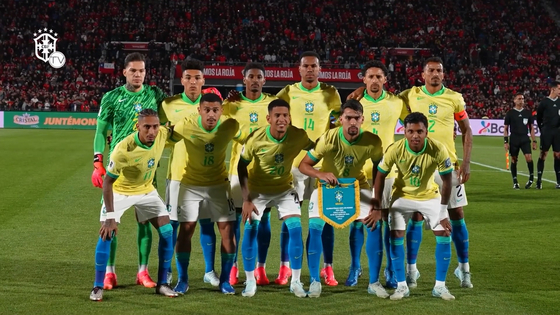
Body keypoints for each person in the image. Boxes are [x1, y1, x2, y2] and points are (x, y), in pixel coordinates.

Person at [91, 52, 166, 290]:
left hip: (146, 168)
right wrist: (97, 162)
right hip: (119, 165)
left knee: (144, 222)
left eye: (141, 70)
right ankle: (109, 273)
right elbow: (101, 132)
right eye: (133, 70)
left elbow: (175, 108)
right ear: (124, 72)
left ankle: (142, 272)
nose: (137, 74)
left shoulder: (155, 94)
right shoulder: (112, 97)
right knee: (111, 222)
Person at [398, 57, 473, 289]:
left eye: (439, 70)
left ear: (443, 74)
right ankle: (412, 271)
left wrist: (467, 162)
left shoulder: (454, 98)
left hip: (447, 165)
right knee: (416, 215)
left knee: (457, 214)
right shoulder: (410, 95)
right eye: (431, 70)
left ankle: (464, 270)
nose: (435, 74)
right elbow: (386, 99)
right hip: (418, 166)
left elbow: (467, 129)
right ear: (423, 74)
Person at [299, 100, 387, 298]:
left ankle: (373, 282)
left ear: (363, 119)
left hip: (358, 187)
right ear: (341, 120)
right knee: (315, 227)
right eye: (348, 118)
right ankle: (314, 281)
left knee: (374, 225)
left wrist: (376, 202)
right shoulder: (329, 138)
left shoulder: (373, 141)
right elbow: (304, 165)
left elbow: (379, 170)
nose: (352, 122)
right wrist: (320, 174)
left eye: (357, 118)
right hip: (328, 187)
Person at [365, 112, 455, 301]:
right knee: (395, 235)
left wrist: (443, 211)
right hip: (402, 196)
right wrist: (377, 206)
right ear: (404, 131)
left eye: (419, 131)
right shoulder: (395, 149)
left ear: (426, 131)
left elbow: (447, 181)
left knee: (444, 233)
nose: (415, 135)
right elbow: (380, 175)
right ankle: (401, 286)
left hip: (430, 196)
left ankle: (440, 286)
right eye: (411, 131)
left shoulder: (438, 148)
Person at [90, 109, 178, 301]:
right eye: (147, 127)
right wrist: (110, 219)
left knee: (167, 231)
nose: (152, 131)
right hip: (121, 191)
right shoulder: (123, 150)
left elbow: (171, 130)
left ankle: (162, 284)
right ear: (138, 126)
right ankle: (97, 286)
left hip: (146, 190)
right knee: (107, 233)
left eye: (155, 126)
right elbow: (107, 183)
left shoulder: (161, 134)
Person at [276, 51, 342, 286]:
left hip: (322, 164)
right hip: (294, 164)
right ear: (300, 69)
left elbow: (338, 121)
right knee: (290, 217)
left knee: (325, 217)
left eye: (314, 66)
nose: (310, 69)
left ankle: (328, 268)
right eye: (306, 66)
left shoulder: (331, 93)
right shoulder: (289, 91)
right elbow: (274, 113)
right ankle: (285, 267)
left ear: (319, 69)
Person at [237, 99, 314, 298]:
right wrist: (246, 199)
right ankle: (250, 281)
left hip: (284, 189)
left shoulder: (299, 135)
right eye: (277, 115)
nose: (282, 119)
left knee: (296, 229)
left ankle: (295, 281)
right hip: (258, 191)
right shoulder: (256, 138)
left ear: (290, 118)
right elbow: (241, 166)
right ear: (268, 118)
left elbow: (317, 149)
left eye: (285, 115)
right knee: (251, 230)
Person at [171, 93, 244, 295]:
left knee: (227, 232)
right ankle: (183, 280)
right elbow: (164, 138)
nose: (211, 115)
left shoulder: (230, 126)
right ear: (199, 110)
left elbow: (250, 138)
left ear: (221, 110)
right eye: (207, 110)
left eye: (216, 110)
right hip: (190, 185)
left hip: (219, 186)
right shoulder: (186, 125)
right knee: (186, 230)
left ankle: (225, 281)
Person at [160, 59, 221, 286]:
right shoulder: (168, 105)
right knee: (173, 225)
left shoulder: (213, 105)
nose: (193, 82)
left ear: (203, 81)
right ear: (182, 80)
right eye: (188, 77)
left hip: (207, 175)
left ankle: (209, 271)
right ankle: (167, 271)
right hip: (178, 175)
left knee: (207, 223)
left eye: (197, 78)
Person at [223, 62, 277, 285]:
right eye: (251, 76)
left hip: (265, 170)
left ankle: (260, 269)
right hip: (239, 169)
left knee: (263, 219)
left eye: (259, 77)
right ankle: (233, 267)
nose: (255, 80)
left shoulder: (272, 104)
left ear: (264, 81)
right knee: (236, 219)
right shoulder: (232, 105)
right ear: (243, 79)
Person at [358, 60, 407, 289]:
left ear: (385, 80)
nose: (375, 80)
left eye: (379, 77)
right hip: (359, 172)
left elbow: (414, 126)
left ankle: (390, 270)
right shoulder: (356, 103)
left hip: (387, 172)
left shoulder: (397, 103)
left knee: (387, 222)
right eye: (371, 76)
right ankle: (361, 271)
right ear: (364, 79)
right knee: (365, 224)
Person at [504, 94, 537, 189]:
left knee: (529, 158)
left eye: (522, 99)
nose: (521, 100)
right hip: (514, 139)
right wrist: (505, 142)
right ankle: (515, 181)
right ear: (514, 100)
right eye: (519, 99)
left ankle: (531, 179)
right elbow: (506, 128)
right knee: (514, 159)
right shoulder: (510, 113)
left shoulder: (527, 113)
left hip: (524, 138)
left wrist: (534, 141)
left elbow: (531, 128)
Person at [535, 81, 560, 189]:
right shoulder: (544, 102)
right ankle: (539, 181)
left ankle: (559, 182)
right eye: (559, 89)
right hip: (547, 132)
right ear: (553, 89)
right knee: (543, 154)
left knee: (558, 155)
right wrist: (543, 129)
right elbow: (539, 117)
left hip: (558, 132)